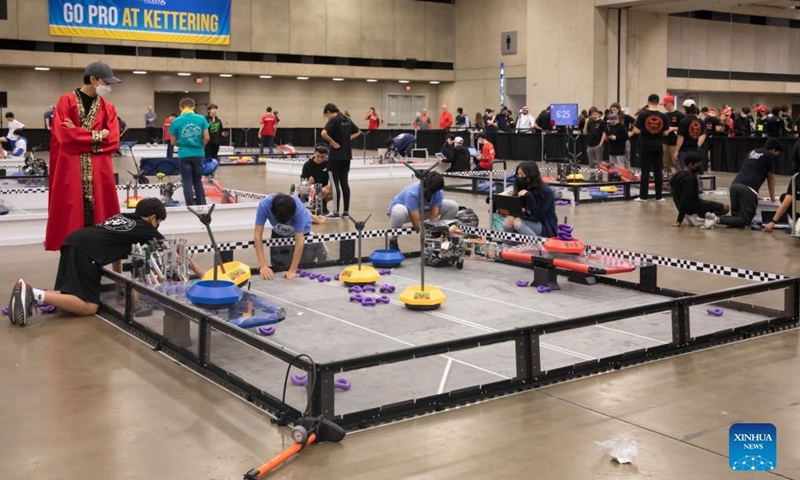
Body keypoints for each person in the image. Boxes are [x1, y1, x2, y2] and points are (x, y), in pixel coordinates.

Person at [8, 198, 166, 325]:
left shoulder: (122, 218)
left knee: (71, 293)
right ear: (153, 218)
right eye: (159, 222)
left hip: (73, 241)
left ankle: (26, 292)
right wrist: (191, 267)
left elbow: (117, 256)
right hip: (87, 250)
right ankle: (32, 293)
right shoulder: (147, 228)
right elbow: (169, 252)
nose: (158, 226)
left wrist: (119, 289)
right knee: (89, 306)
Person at [46, 61, 121, 252]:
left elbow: (112, 140)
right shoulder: (67, 101)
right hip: (71, 170)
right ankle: (73, 256)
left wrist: (79, 136)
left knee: (102, 213)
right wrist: (97, 135)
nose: (108, 87)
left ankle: (100, 254)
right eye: (106, 82)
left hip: (99, 171)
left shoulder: (108, 107)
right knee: (71, 211)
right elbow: (64, 137)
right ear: (93, 79)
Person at [705, 139, 780, 230]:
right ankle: (716, 219)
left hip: (735, 185)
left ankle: (712, 218)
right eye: (777, 153)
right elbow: (771, 178)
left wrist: (754, 195)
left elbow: (752, 170)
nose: (776, 156)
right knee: (745, 220)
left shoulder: (752, 152)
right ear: (774, 150)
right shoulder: (769, 155)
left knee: (737, 217)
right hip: (748, 189)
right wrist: (772, 198)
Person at [386, 171, 458, 251]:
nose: (433, 194)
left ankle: (439, 236)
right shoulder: (412, 193)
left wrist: (432, 235)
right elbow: (416, 224)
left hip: (422, 210)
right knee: (399, 211)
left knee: (452, 206)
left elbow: (434, 217)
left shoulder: (438, 192)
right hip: (404, 213)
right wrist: (423, 236)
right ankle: (393, 240)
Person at [253, 193, 313, 280]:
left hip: (302, 231)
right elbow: (257, 235)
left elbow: (299, 241)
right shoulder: (264, 205)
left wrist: (292, 270)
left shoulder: (298, 209)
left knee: (300, 267)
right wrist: (263, 266)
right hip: (278, 232)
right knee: (278, 264)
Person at [320, 103, 360, 219]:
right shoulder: (347, 119)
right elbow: (358, 131)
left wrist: (332, 142)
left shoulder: (333, 120)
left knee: (334, 185)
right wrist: (349, 138)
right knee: (344, 183)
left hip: (335, 157)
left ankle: (336, 211)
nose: (327, 118)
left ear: (328, 112)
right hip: (346, 157)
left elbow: (323, 133)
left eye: (325, 115)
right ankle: (346, 211)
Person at [669, 152, 729, 227]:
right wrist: (679, 220)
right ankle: (706, 218)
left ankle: (702, 216)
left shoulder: (678, 175)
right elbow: (685, 199)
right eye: (697, 164)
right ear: (690, 164)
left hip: (686, 205)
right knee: (726, 208)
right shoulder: (689, 179)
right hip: (691, 207)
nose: (699, 166)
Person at [169, 97, 209, 206]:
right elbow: (207, 138)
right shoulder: (201, 119)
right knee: (197, 180)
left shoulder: (175, 121)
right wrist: (200, 146)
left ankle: (190, 205)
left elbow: (172, 142)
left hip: (184, 155)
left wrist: (182, 144)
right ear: (194, 107)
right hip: (198, 154)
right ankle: (202, 204)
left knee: (187, 182)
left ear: (180, 108)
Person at [503, 161, 558, 238]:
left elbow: (539, 214)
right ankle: (508, 245)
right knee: (508, 221)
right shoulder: (521, 188)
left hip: (545, 225)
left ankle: (537, 245)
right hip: (528, 221)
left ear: (531, 175)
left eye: (522, 175)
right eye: (518, 175)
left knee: (517, 222)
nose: (520, 177)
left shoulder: (547, 192)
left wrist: (529, 196)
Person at [633, 94, 668, 201]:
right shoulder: (663, 116)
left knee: (645, 171)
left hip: (645, 145)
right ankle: (659, 196)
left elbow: (637, 131)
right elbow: (666, 132)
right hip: (658, 145)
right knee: (658, 171)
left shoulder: (643, 115)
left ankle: (643, 197)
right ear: (658, 103)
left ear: (648, 102)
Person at [300, 144, 334, 214]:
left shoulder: (328, 165)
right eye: (318, 156)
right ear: (314, 153)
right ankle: (313, 205)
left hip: (322, 191)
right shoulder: (307, 165)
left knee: (334, 191)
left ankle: (322, 205)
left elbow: (333, 180)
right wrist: (308, 182)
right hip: (310, 191)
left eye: (322, 157)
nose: (320, 159)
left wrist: (330, 186)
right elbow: (302, 182)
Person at [674, 99, 706, 170]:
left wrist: (676, 151)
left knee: (684, 170)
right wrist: (697, 145)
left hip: (684, 150)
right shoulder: (701, 121)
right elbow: (703, 135)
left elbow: (681, 137)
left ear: (685, 109)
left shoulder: (684, 121)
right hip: (695, 150)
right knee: (695, 170)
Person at [662, 96, 684, 174]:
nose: (664, 106)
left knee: (676, 163)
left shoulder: (680, 115)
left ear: (670, 103)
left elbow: (683, 128)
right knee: (666, 164)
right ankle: (666, 182)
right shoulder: (664, 115)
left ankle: (678, 180)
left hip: (675, 143)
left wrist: (672, 128)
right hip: (665, 142)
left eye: (665, 104)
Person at [583, 107, 606, 180]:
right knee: (591, 163)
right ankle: (592, 176)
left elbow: (604, 133)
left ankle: (600, 177)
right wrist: (586, 123)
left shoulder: (602, 122)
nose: (593, 116)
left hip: (597, 145)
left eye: (594, 114)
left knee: (599, 163)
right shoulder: (590, 122)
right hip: (590, 145)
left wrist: (600, 144)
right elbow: (585, 132)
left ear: (597, 113)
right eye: (591, 114)